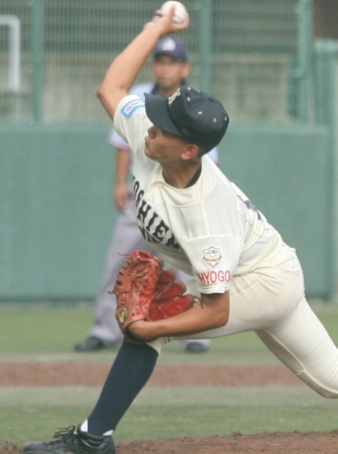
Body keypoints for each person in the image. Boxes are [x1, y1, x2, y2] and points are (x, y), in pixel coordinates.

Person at [23, 8, 338, 454]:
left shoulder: (205, 217)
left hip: (263, 280)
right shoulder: (149, 135)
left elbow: (216, 310)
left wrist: (148, 329)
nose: (150, 126)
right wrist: (157, 25)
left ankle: (94, 437)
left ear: (190, 150)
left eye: (164, 127)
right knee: (336, 378)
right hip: (267, 262)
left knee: (151, 322)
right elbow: (111, 89)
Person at [73, 36, 215, 354]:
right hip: (142, 196)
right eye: (161, 61)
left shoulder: (195, 103)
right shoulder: (139, 95)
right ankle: (105, 331)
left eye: (172, 62)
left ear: (185, 68)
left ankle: (195, 334)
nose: (166, 68)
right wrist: (119, 184)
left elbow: (208, 160)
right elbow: (123, 144)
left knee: (192, 266)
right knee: (120, 263)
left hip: (181, 200)